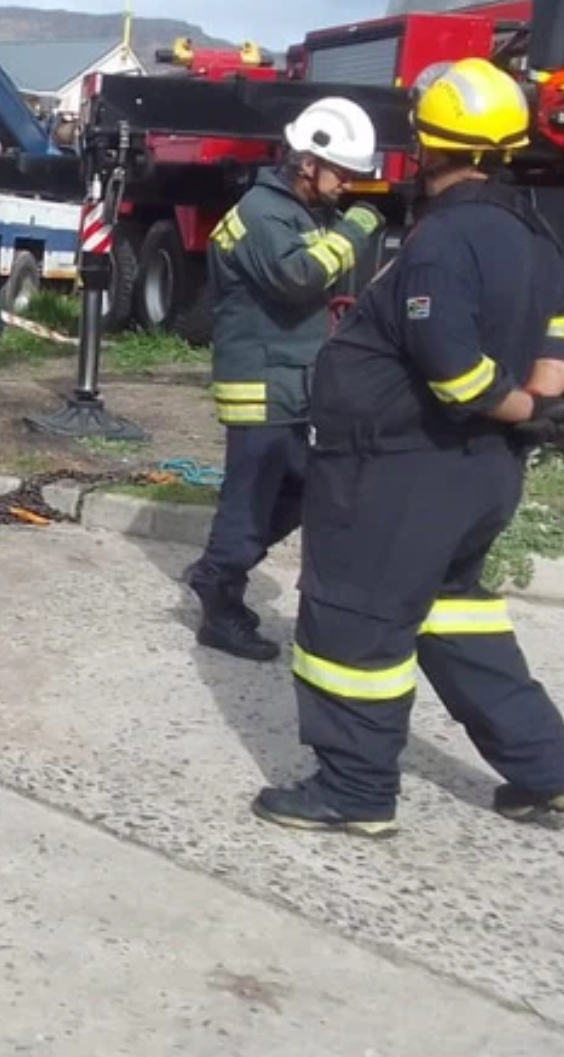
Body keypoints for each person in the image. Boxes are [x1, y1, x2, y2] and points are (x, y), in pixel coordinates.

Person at [253, 58, 564, 837]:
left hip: (398, 473)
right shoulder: (535, 235)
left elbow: (452, 369)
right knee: (454, 617)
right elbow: (556, 340)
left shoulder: (443, 240)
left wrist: (517, 407)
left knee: (353, 624)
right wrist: (543, 407)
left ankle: (354, 790)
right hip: (478, 479)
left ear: (427, 145)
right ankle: (546, 768)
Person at [182, 96, 385, 662]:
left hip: (289, 384)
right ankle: (218, 601)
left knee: (296, 493)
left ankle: (221, 565)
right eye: (341, 173)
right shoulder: (264, 214)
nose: (347, 185)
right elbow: (298, 277)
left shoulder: (293, 212)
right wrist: (358, 228)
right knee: (249, 503)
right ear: (306, 163)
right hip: (262, 387)